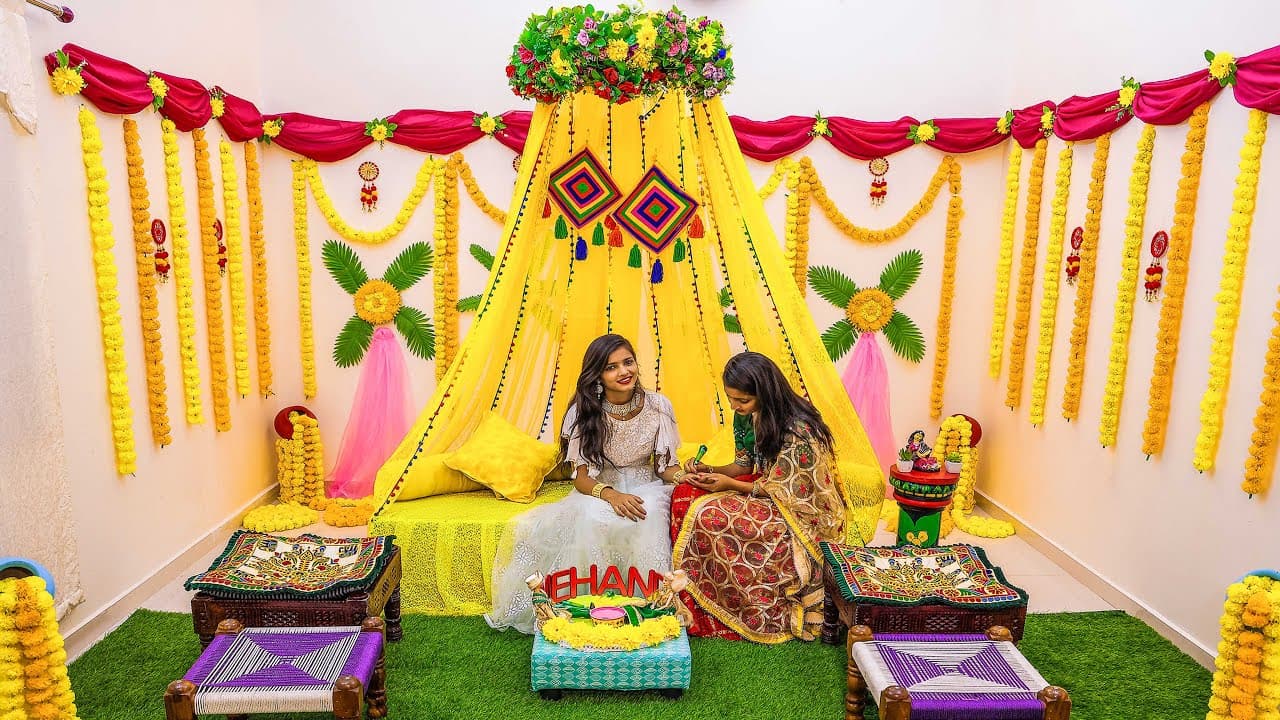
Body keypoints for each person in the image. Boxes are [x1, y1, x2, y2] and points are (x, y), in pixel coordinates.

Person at [486, 334, 686, 633]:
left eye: (628, 362)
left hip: (647, 484)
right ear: (598, 375)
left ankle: (653, 609)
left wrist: (687, 477)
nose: (623, 372)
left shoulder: (658, 406)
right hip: (599, 488)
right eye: (611, 367)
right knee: (592, 519)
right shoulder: (582, 411)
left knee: (650, 516)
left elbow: (665, 467)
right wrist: (611, 495)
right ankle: (590, 610)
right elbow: (581, 478)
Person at [671, 351, 846, 643]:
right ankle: (690, 598)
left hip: (799, 515)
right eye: (731, 399)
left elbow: (785, 489)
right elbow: (743, 467)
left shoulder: (798, 429)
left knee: (710, 514)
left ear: (765, 392)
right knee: (685, 493)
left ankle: (742, 601)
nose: (735, 406)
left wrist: (728, 484)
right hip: (762, 490)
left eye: (743, 400)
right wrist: (708, 469)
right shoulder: (745, 416)